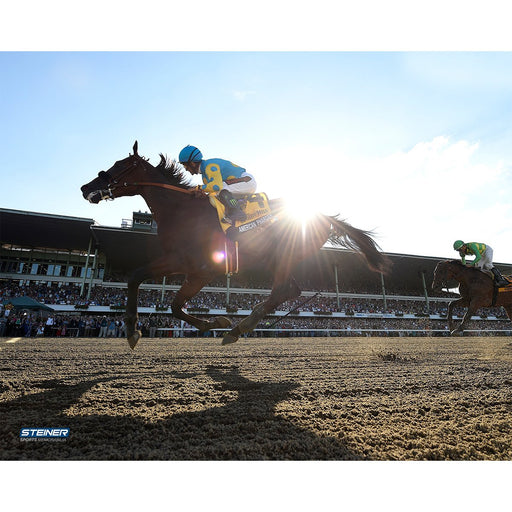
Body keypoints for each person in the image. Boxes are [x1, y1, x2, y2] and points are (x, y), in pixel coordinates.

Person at [178, 145, 257, 224]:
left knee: (220, 188)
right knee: (214, 195)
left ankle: (237, 212)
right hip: (240, 185)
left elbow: (216, 186)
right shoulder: (204, 175)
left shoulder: (209, 166)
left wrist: (197, 188)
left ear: (192, 163)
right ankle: (237, 206)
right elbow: (211, 191)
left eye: (185, 165)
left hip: (247, 181)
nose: (185, 169)